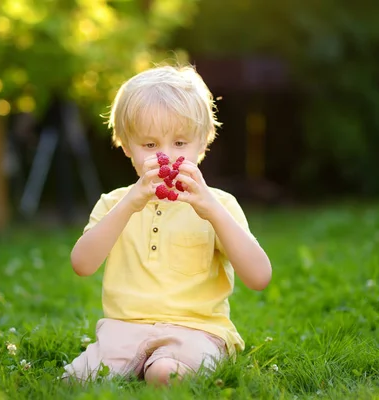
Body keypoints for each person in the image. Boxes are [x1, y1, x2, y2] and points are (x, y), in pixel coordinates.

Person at [63, 64, 272, 386]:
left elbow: (259, 277)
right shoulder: (113, 203)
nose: (165, 156)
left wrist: (213, 212)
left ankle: (168, 369)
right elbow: (82, 264)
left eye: (179, 143)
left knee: (165, 372)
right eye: (150, 145)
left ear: (202, 143)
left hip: (196, 330)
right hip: (124, 328)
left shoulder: (220, 204)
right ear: (125, 146)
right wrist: (130, 204)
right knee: (76, 380)